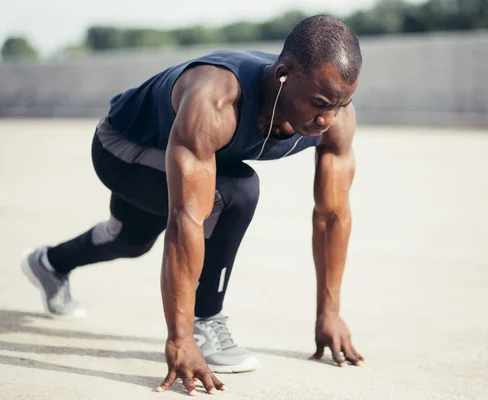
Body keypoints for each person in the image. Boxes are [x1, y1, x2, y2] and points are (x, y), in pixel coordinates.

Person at [20, 14, 365, 395]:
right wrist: (181, 339)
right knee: (238, 191)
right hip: (123, 146)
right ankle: (207, 320)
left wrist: (329, 311)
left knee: (131, 239)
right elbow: (187, 218)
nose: (328, 118)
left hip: (178, 151)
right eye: (319, 103)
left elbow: (332, 215)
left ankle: (50, 263)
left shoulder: (335, 116)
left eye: (341, 103)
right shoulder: (215, 98)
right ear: (283, 75)